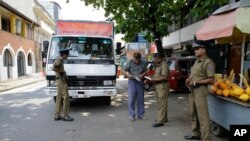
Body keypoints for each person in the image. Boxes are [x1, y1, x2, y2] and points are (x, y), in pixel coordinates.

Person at [184, 43, 215, 141]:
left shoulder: (208, 62)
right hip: (192, 90)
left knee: (203, 117)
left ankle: (206, 138)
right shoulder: (197, 61)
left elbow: (211, 80)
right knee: (193, 114)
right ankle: (195, 133)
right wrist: (189, 79)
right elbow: (194, 74)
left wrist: (195, 82)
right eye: (195, 49)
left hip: (201, 91)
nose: (195, 50)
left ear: (204, 49)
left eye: (197, 48)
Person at [123, 52, 147, 121]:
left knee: (141, 99)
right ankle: (132, 115)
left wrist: (142, 75)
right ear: (133, 58)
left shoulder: (143, 63)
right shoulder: (130, 62)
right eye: (135, 60)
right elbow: (124, 70)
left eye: (138, 60)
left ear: (140, 58)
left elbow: (146, 71)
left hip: (140, 81)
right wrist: (128, 75)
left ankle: (141, 114)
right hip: (132, 81)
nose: (136, 62)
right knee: (131, 99)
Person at [53, 48, 74, 121]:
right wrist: (61, 72)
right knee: (66, 98)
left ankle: (57, 115)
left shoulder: (60, 59)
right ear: (64, 54)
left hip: (59, 80)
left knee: (59, 98)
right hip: (61, 81)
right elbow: (54, 68)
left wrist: (65, 75)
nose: (68, 56)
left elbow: (58, 69)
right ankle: (65, 115)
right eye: (67, 55)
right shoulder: (60, 59)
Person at [150, 53, 169, 128]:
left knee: (162, 103)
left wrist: (153, 79)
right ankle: (164, 118)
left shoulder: (164, 65)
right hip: (158, 86)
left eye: (155, 58)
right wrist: (151, 78)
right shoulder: (158, 66)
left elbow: (165, 77)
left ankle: (160, 121)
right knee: (160, 103)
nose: (153, 60)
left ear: (159, 59)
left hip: (163, 86)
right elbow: (158, 75)